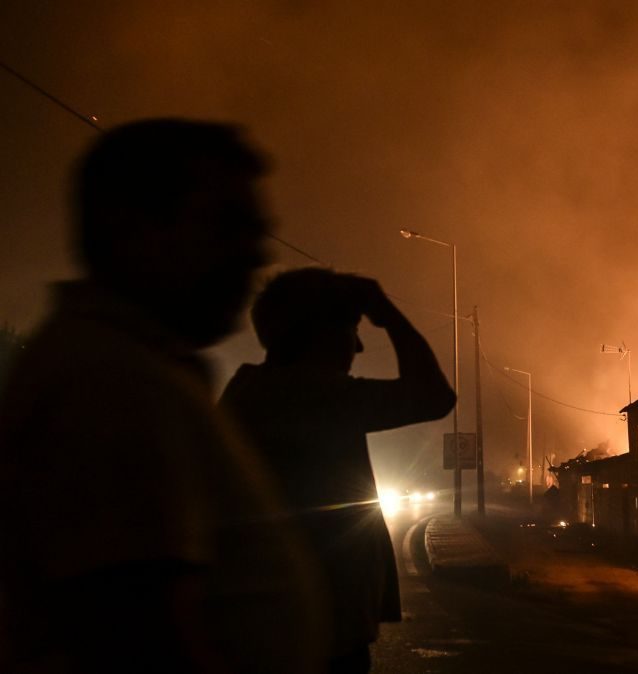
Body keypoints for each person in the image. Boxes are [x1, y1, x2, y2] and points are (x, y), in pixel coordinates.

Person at [0, 119, 331, 674]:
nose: (256, 256)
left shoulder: (137, 366)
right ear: (134, 229)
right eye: (229, 227)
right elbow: (137, 636)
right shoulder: (108, 381)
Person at [219, 267, 456, 673]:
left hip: (284, 628)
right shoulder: (310, 397)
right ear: (320, 334)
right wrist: (386, 313)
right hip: (310, 635)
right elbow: (434, 396)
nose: (359, 346)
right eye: (351, 328)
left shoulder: (253, 393)